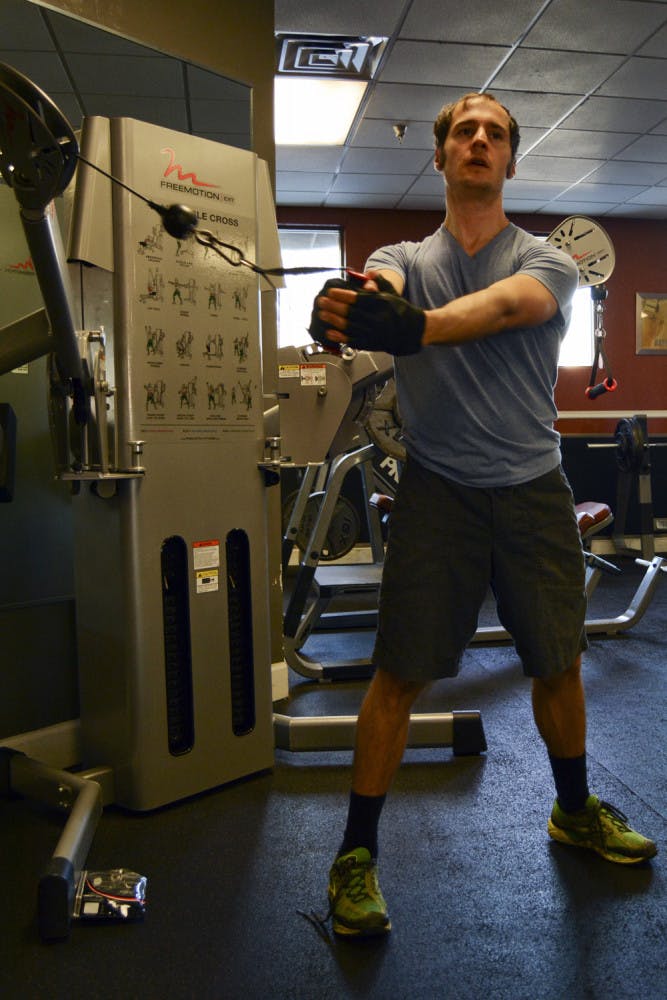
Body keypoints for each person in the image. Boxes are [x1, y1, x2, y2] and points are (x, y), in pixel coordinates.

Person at [308, 91, 657, 938]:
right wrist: (348, 303)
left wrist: (412, 326)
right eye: (463, 131)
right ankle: (355, 854)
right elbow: (377, 283)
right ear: (440, 157)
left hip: (533, 486)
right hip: (437, 490)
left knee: (556, 660)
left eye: (493, 134)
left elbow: (504, 312)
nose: (477, 141)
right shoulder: (402, 254)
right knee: (399, 673)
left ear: (508, 162)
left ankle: (570, 810)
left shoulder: (547, 260)